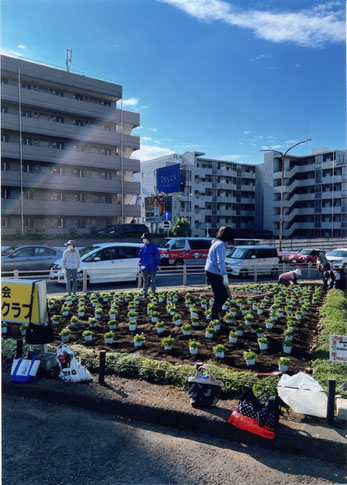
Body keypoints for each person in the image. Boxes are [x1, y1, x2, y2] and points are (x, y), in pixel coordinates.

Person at [205, 226, 234, 321]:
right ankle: (213, 317)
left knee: (224, 294)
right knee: (219, 296)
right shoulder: (220, 244)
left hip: (212, 272)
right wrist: (224, 275)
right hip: (214, 273)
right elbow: (220, 261)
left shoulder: (216, 243)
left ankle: (214, 313)